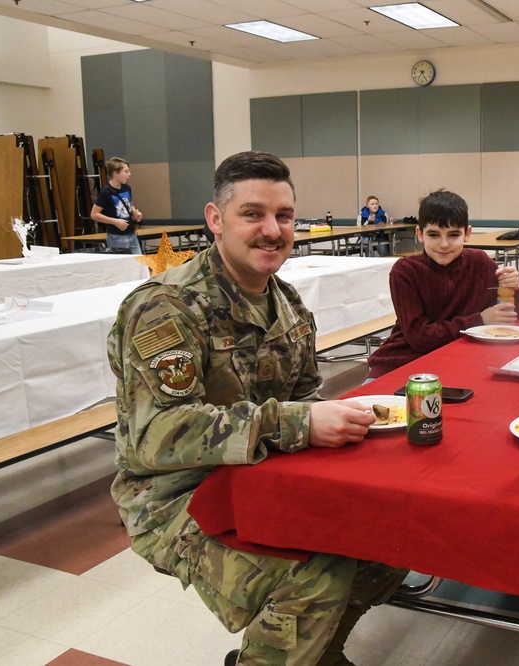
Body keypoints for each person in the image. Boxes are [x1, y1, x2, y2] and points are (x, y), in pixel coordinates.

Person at [107, 151, 406, 666]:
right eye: (253, 214)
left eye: (284, 216)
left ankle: (316, 654)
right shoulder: (166, 308)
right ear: (215, 220)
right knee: (315, 573)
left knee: (389, 541)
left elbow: (306, 398)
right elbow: (156, 436)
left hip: (263, 475)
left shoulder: (288, 304)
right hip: (175, 497)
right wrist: (298, 423)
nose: (273, 230)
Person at [366, 189, 519, 379]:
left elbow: (512, 312)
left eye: (453, 235)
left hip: (457, 361)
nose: (444, 244)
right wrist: (479, 319)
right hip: (400, 363)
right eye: (434, 235)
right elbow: (420, 337)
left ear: (467, 234)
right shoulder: (405, 271)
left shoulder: (480, 262)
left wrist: (516, 287)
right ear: (420, 234)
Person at [91, 157, 143, 254]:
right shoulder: (105, 192)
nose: (129, 175)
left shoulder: (127, 188)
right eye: (126, 171)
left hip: (131, 233)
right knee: (122, 266)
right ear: (116, 173)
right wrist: (114, 221)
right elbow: (94, 214)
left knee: (139, 263)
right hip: (116, 237)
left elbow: (129, 205)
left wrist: (135, 213)